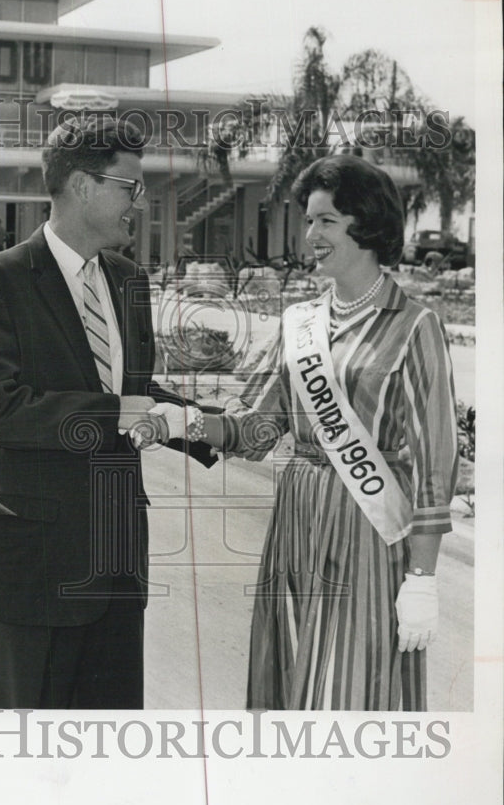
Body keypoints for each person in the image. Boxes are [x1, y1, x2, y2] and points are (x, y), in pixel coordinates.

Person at [149, 155, 458, 711]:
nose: (309, 234)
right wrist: (187, 420)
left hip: (368, 529)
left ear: (366, 227)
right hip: (298, 520)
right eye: (309, 220)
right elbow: (256, 430)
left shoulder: (414, 325)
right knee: (292, 674)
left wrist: (423, 579)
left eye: (326, 222)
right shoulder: (300, 323)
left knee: (352, 686)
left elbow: (437, 463)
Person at [0, 114, 214, 710]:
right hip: (33, 575)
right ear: (84, 185)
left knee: (110, 768)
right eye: (130, 189)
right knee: (29, 763)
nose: (139, 204)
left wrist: (211, 424)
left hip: (118, 570)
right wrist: (118, 413)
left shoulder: (128, 280)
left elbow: (138, 392)